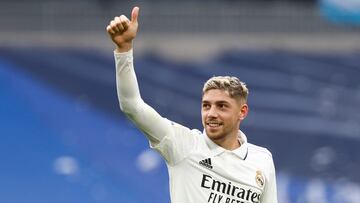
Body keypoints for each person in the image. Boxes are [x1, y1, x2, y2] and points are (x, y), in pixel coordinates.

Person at [106, 7, 277, 203]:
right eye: (206, 105)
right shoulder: (183, 145)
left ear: (242, 112)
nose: (211, 113)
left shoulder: (262, 160)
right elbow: (132, 106)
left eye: (222, 106)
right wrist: (124, 49)